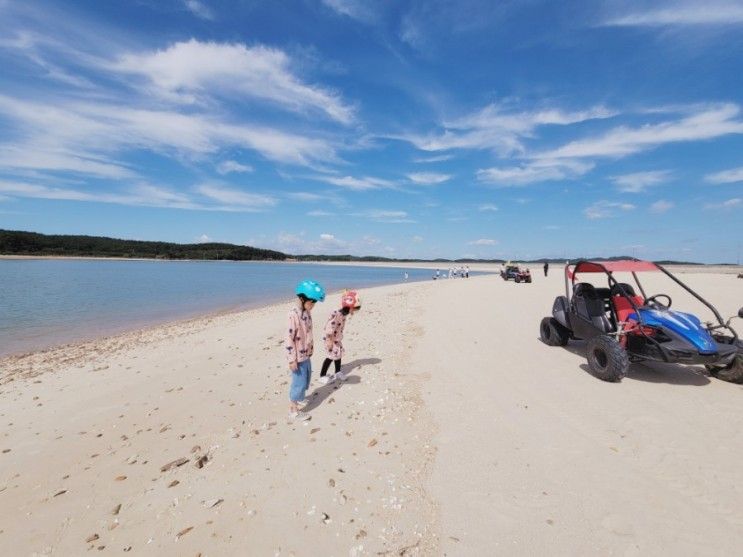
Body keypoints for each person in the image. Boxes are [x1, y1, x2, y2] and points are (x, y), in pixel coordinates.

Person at [285, 279, 325, 421]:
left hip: (306, 354)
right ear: (302, 299)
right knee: (298, 382)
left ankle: (301, 398)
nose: (313, 305)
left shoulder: (307, 312)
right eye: (311, 302)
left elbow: (308, 332)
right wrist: (291, 359)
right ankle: (293, 410)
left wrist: (311, 347)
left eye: (314, 302)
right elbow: (289, 338)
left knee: (306, 378)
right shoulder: (293, 314)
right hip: (297, 356)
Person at [319, 290, 362, 385]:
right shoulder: (337, 314)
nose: (354, 311)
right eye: (354, 309)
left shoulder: (343, 314)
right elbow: (330, 327)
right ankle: (322, 375)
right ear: (349, 307)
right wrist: (329, 340)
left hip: (336, 338)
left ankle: (337, 372)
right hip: (330, 338)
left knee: (338, 354)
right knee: (330, 356)